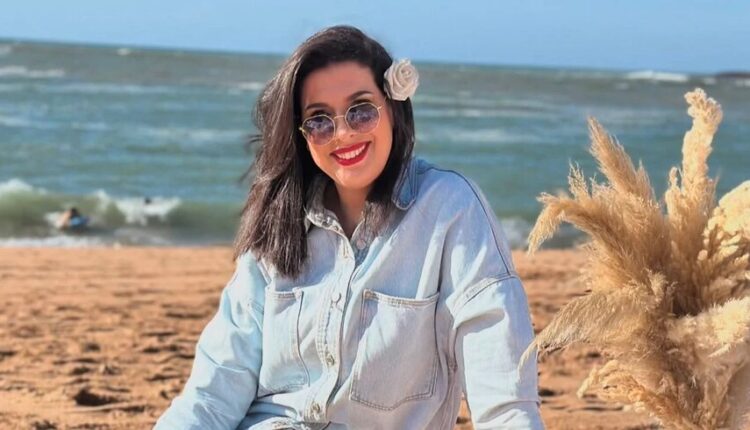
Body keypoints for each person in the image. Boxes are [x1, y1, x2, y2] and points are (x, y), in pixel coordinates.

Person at [155, 25, 542, 429]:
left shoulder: (450, 209)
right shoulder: (279, 222)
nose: (342, 133)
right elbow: (212, 395)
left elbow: (504, 394)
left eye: (361, 110)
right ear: (302, 135)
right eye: (319, 120)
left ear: (393, 108)